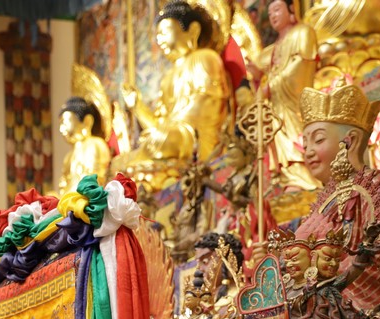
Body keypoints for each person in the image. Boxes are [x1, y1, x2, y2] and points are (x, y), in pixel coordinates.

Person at [294, 83, 380, 319]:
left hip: (362, 316)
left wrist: (323, 286)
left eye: (318, 140)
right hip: (313, 308)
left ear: (351, 141)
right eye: (305, 145)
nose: (309, 151)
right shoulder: (321, 205)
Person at [119, 0, 231, 190]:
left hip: (194, 139)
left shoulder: (205, 58)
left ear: (193, 30)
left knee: (164, 138)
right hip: (170, 138)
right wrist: (137, 106)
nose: (159, 39)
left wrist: (167, 130)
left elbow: (206, 108)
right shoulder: (168, 78)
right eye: (157, 35)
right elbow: (158, 123)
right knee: (122, 161)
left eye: (165, 32)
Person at [256, 0, 319, 191]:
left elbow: (300, 67)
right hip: (277, 106)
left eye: (277, 10)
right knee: (277, 131)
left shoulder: (303, 32)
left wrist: (271, 85)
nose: (273, 16)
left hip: (292, 102)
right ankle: (289, 178)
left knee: (296, 133)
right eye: (270, 13)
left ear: (291, 9)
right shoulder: (274, 47)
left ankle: (304, 179)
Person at [57, 96, 112, 196]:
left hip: (84, 199)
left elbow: (94, 181)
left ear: (87, 121)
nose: (61, 129)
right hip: (69, 199)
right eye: (60, 124)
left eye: (65, 122)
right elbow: (63, 186)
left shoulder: (95, 144)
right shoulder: (68, 157)